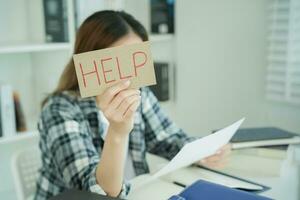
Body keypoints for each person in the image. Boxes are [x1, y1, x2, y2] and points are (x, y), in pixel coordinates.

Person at [34, 10, 231, 199]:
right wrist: (117, 132)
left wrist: (205, 151)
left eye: (136, 60)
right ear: (89, 63)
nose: (128, 74)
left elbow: (169, 139)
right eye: (119, 62)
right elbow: (97, 192)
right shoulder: (59, 110)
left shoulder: (140, 93)